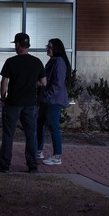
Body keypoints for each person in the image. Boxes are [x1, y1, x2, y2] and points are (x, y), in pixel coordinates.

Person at [0, 33, 47, 174]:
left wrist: (3, 97)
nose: (15, 46)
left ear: (18, 44)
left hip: (13, 103)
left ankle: (5, 164)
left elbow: (4, 82)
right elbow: (43, 82)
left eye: (15, 44)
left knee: (8, 134)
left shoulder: (11, 62)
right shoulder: (37, 62)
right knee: (31, 134)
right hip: (30, 104)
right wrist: (31, 83)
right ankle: (32, 165)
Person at [36, 38, 71, 166]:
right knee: (39, 124)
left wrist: (47, 97)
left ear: (56, 48)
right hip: (47, 100)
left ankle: (57, 157)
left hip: (53, 101)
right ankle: (38, 151)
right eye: (47, 46)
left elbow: (57, 84)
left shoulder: (59, 62)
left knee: (53, 127)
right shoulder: (53, 61)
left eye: (50, 47)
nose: (47, 48)